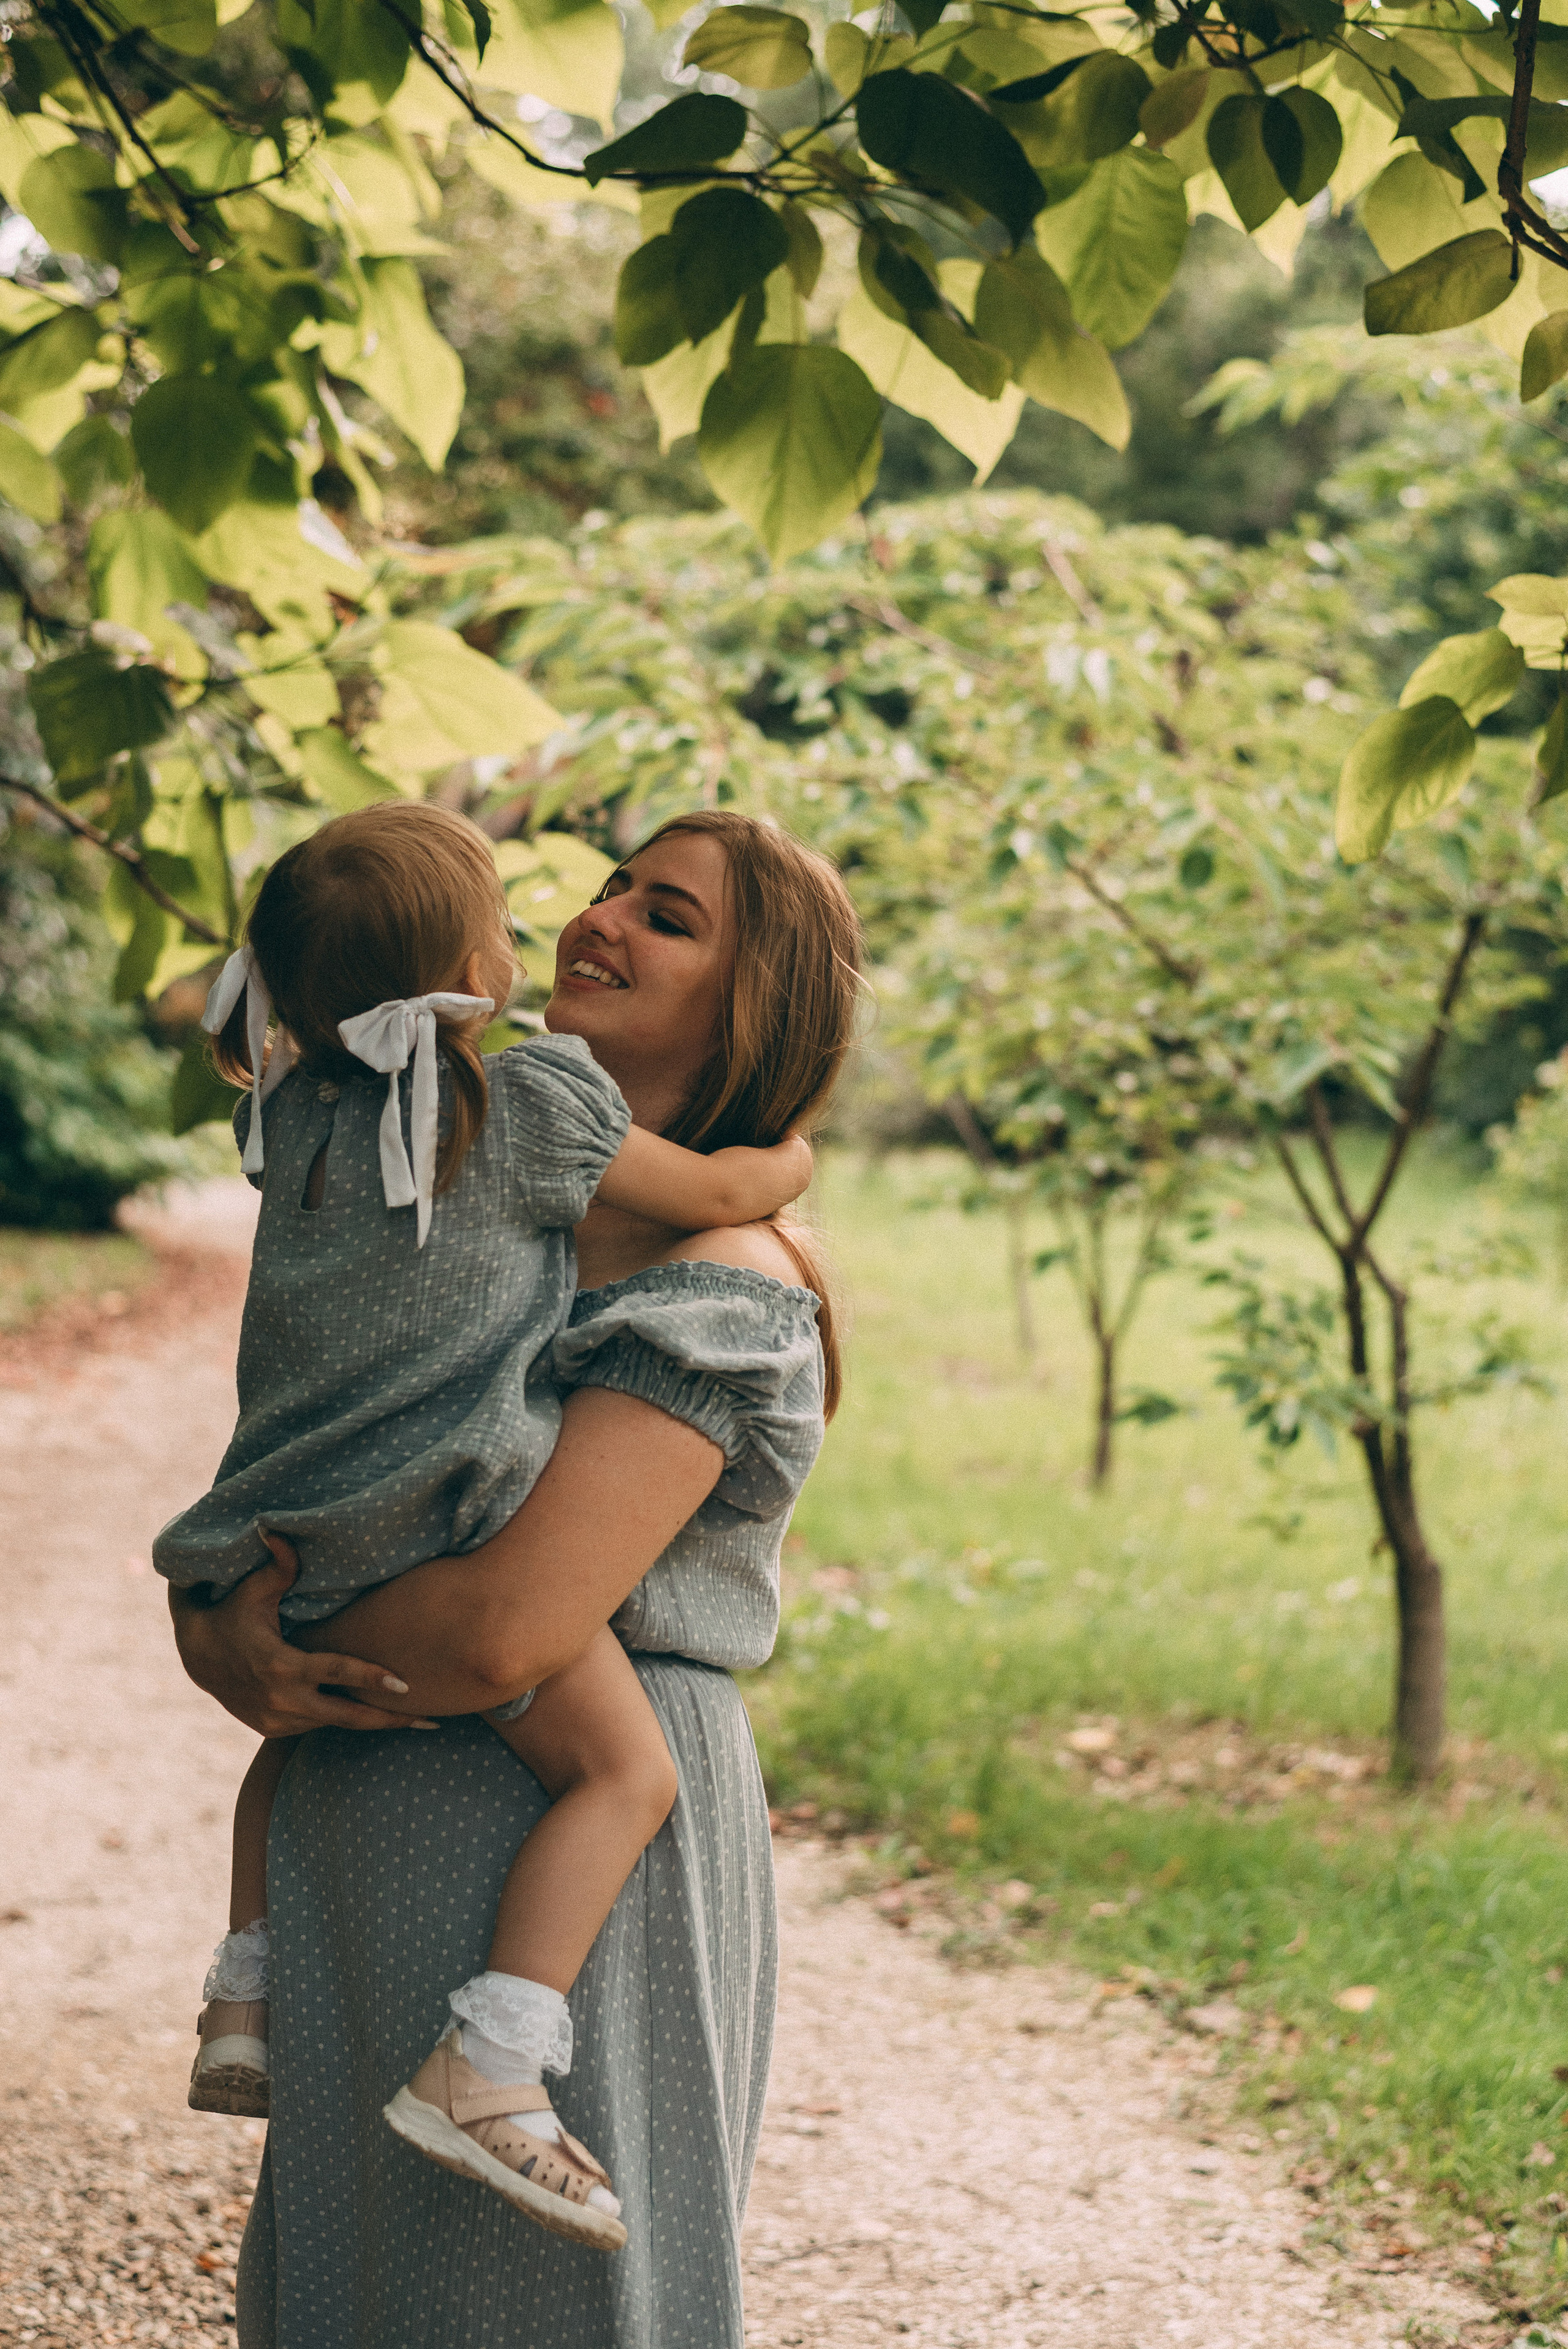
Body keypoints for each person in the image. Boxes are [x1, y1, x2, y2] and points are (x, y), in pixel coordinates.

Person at [170, 809, 861, 2349]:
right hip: (362, 1827)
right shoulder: (448, 1200)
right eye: (611, 884)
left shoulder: (716, 1280)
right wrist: (230, 1642)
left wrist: (277, 1629)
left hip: (565, 1870)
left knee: (540, 2302)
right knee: (362, 2287)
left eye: (668, 916)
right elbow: (304, 1449)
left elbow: (502, 1631)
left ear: (751, 1006)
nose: (601, 917)